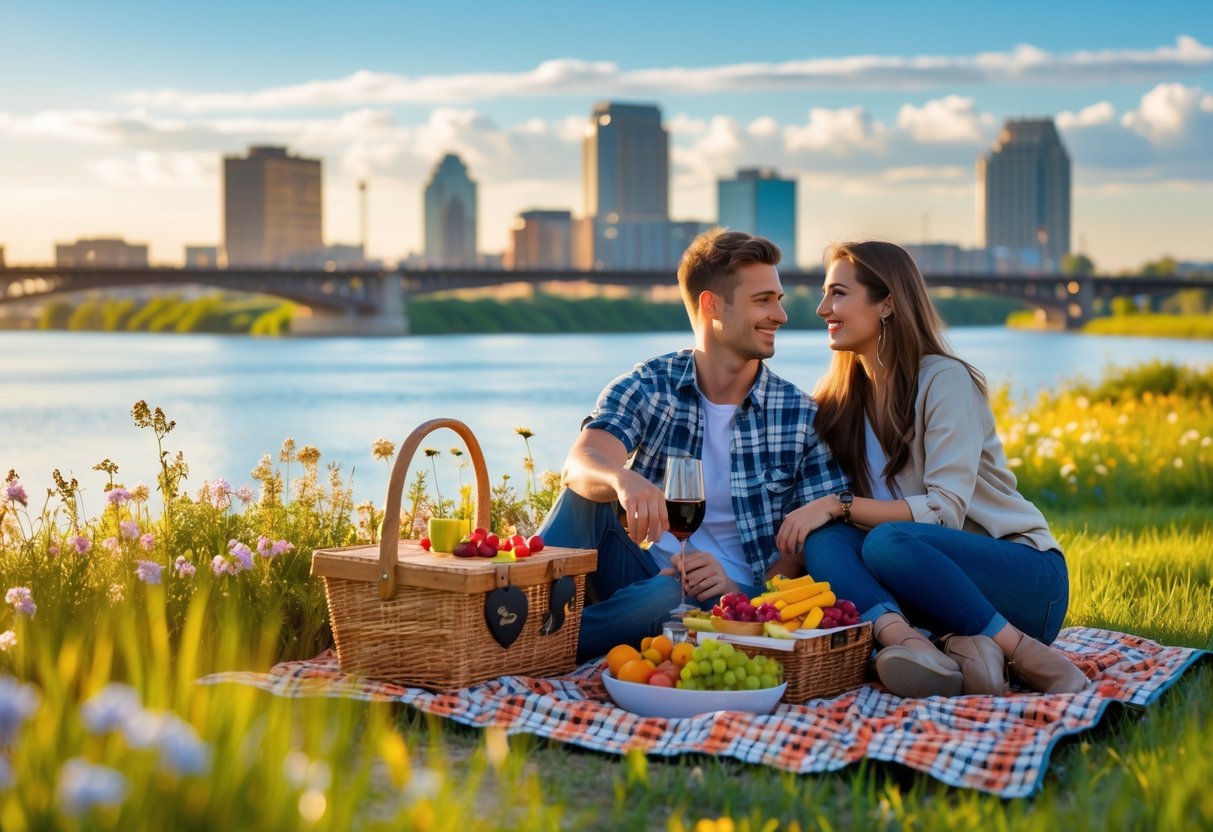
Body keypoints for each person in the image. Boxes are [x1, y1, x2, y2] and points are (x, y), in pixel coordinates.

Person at [772, 240, 1088, 698]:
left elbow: (943, 514)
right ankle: (927, 647)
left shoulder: (944, 380)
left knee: (885, 541)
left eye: (838, 293)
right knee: (827, 539)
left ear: (887, 303)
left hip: (1024, 581)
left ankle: (1023, 650)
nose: (823, 308)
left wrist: (839, 505)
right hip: (927, 591)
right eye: (825, 294)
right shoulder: (840, 402)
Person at [539, 228, 848, 662]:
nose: (781, 314)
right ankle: (529, 613)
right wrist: (622, 480)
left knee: (668, 597)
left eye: (778, 299)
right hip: (641, 575)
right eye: (763, 300)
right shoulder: (651, 384)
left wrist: (738, 591)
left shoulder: (801, 416)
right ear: (712, 305)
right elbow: (581, 461)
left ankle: (532, 643)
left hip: (729, 603)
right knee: (582, 497)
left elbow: (809, 548)